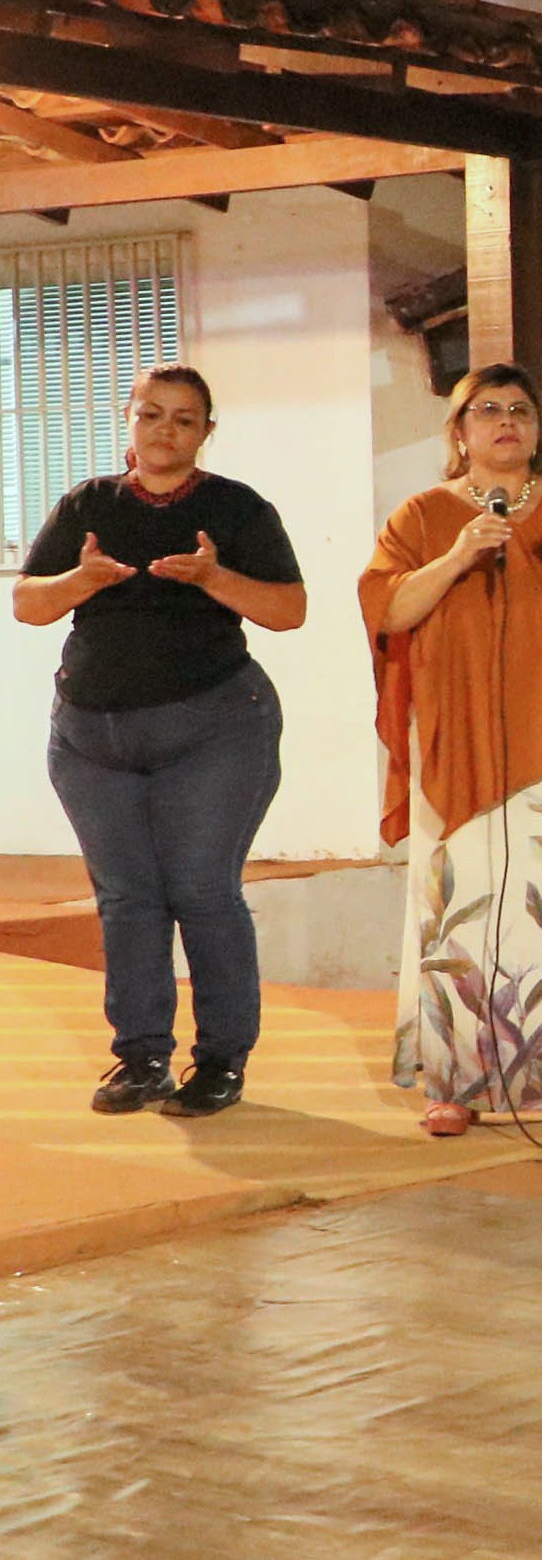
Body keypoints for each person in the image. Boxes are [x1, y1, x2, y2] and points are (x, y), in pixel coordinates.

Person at [360, 365, 542, 1135]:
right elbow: (389, 606)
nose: (506, 421)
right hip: (457, 735)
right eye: (487, 409)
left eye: (520, 409)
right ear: (459, 431)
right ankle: (453, 1081)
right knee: (458, 908)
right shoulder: (422, 515)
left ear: (538, 428)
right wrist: (459, 554)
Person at [13, 367, 305, 1118]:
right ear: (129, 418)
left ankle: (222, 1060)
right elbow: (28, 603)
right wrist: (80, 581)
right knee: (126, 897)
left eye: (183, 418)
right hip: (91, 736)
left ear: (207, 431)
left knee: (201, 891)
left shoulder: (237, 507)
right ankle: (141, 1056)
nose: (164, 429)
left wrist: (212, 577)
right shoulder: (88, 503)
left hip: (214, 728)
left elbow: (288, 610)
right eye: (151, 414)